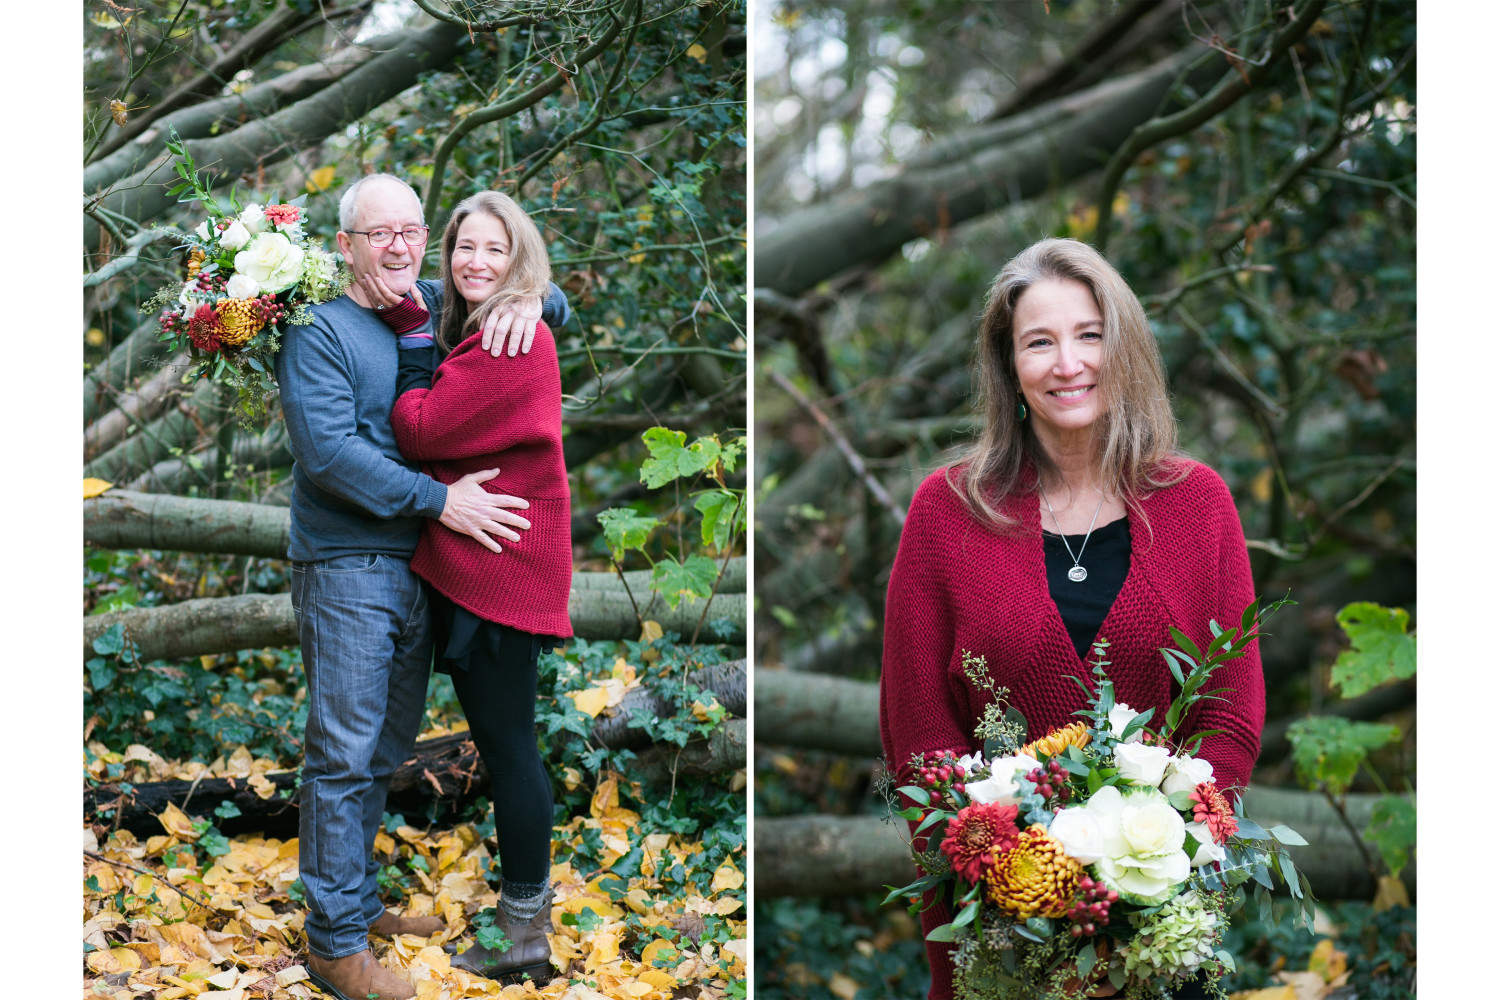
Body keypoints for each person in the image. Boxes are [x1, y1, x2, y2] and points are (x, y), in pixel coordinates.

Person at [877, 238, 1264, 1000]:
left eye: (1090, 335)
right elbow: (917, 727)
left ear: (1124, 351)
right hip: (1001, 921)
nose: (1068, 363)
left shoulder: (1199, 505)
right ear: (1009, 367)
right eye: (1039, 342)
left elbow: (1232, 710)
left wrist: (1170, 850)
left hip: (1159, 910)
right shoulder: (947, 512)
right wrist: (1008, 870)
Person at [275, 173, 568, 1000]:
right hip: (346, 565)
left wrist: (537, 300)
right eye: (379, 235)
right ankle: (334, 946)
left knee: (379, 752)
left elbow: (511, 274)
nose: (399, 247)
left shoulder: (430, 305)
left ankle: (356, 905)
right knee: (342, 752)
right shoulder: (319, 331)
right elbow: (328, 455)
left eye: (411, 231)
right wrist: (441, 499)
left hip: (418, 569)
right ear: (346, 246)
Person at [357, 190, 573, 984]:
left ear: (520, 261)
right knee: (509, 746)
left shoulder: (513, 342)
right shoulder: (487, 322)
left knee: (511, 752)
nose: (477, 263)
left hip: (501, 574)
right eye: (465, 248)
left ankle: (525, 940)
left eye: (496, 251)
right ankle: (524, 930)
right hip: (489, 568)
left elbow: (418, 429)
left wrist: (415, 355)